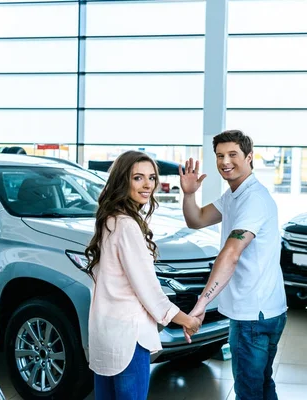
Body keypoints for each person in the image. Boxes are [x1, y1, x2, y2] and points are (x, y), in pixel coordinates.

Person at [178, 130, 287, 400]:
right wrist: (189, 194)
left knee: (248, 392)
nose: (225, 161)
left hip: (252, 315)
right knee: (262, 385)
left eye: (233, 155)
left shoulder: (253, 199)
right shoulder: (235, 195)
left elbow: (231, 254)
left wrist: (201, 304)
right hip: (266, 310)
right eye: (220, 156)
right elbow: (197, 219)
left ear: (249, 157)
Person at [85, 150, 202, 400]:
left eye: (151, 177)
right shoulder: (127, 225)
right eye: (138, 177)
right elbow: (147, 289)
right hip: (129, 337)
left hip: (104, 333)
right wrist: (185, 320)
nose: (148, 184)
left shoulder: (109, 219)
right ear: (122, 180)